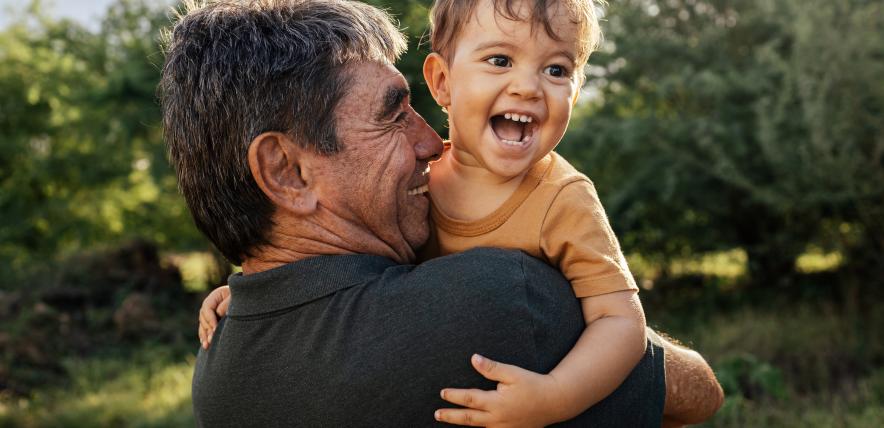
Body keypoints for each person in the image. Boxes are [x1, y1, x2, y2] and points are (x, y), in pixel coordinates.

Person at [163, 0, 722, 426]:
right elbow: (698, 391)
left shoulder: (217, 376)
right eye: (392, 116)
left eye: (557, 70)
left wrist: (248, 287)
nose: (432, 144)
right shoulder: (500, 299)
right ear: (288, 172)